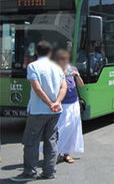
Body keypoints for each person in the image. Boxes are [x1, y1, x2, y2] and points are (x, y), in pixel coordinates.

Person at [11, 41, 67, 182]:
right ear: (50, 53)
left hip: (38, 110)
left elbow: (37, 88)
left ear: (36, 52)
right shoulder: (57, 67)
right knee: (51, 140)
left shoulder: (33, 66)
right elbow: (63, 87)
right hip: (56, 111)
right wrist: (57, 103)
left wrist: (49, 103)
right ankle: (49, 172)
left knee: (31, 141)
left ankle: (29, 172)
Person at [54, 49, 84, 164]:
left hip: (73, 102)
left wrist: (76, 75)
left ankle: (67, 153)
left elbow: (81, 85)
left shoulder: (73, 69)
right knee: (61, 128)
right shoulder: (56, 71)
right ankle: (56, 153)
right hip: (62, 103)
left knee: (72, 128)